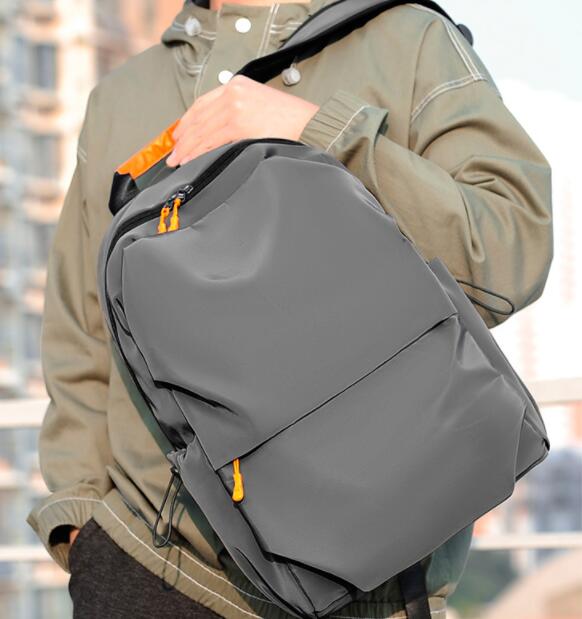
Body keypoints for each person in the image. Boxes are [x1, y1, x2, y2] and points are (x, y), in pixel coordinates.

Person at [27, 0, 553, 617]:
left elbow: (509, 253)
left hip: (370, 585)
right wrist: (83, 532)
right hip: (147, 568)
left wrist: (317, 130)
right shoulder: (122, 96)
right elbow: (82, 334)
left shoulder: (410, 40)